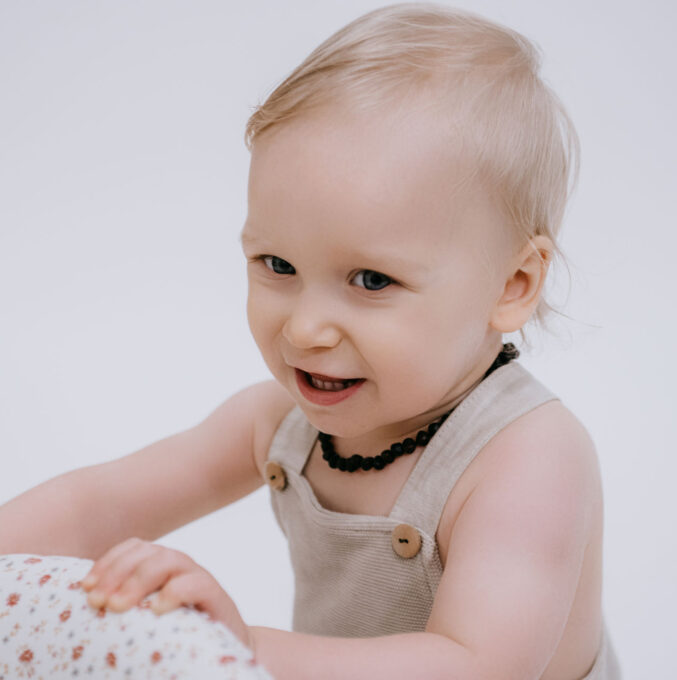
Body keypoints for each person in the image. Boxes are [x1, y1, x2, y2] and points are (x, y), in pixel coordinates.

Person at [0, 3, 621, 679]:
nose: (303, 329)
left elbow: (474, 665)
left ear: (512, 284)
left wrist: (243, 646)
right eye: (278, 266)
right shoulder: (279, 422)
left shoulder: (527, 459)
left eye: (371, 279)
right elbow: (102, 504)